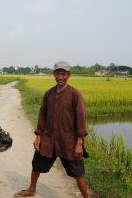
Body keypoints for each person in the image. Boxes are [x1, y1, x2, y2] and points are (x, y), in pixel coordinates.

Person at [14, 61, 89, 198]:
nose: (60, 77)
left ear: (69, 75)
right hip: (48, 139)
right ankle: (31, 189)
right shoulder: (48, 94)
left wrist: (79, 143)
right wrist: (38, 136)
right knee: (37, 165)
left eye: (63, 74)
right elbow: (42, 116)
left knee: (78, 172)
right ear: (54, 74)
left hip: (68, 141)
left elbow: (81, 119)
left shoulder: (74, 95)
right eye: (58, 73)